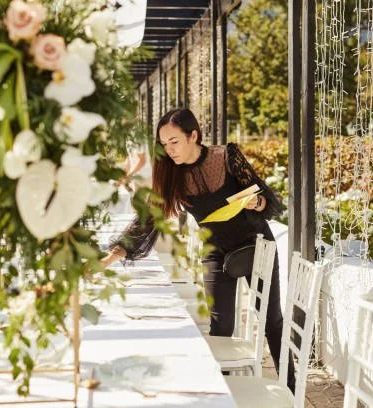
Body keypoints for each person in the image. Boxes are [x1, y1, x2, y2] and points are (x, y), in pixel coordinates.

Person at [102, 108, 294, 389]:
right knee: (221, 328)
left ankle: (291, 389)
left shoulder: (227, 157)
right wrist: (111, 256)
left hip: (256, 245)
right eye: (164, 144)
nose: (169, 150)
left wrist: (258, 203)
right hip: (215, 251)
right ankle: (226, 393)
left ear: (193, 135)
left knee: (272, 321)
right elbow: (149, 217)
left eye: (174, 142)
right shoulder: (170, 173)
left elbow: (264, 196)